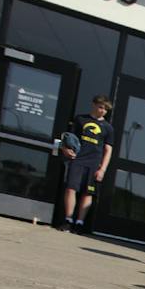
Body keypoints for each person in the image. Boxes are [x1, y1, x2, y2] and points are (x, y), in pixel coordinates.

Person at [59, 95, 115, 232]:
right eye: (101, 107)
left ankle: (79, 223)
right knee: (71, 188)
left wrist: (102, 169)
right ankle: (68, 220)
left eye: (106, 109)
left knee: (87, 193)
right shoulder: (80, 119)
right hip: (78, 159)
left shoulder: (108, 128)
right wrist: (65, 149)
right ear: (94, 105)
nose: (103, 111)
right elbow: (68, 138)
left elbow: (108, 150)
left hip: (94, 163)